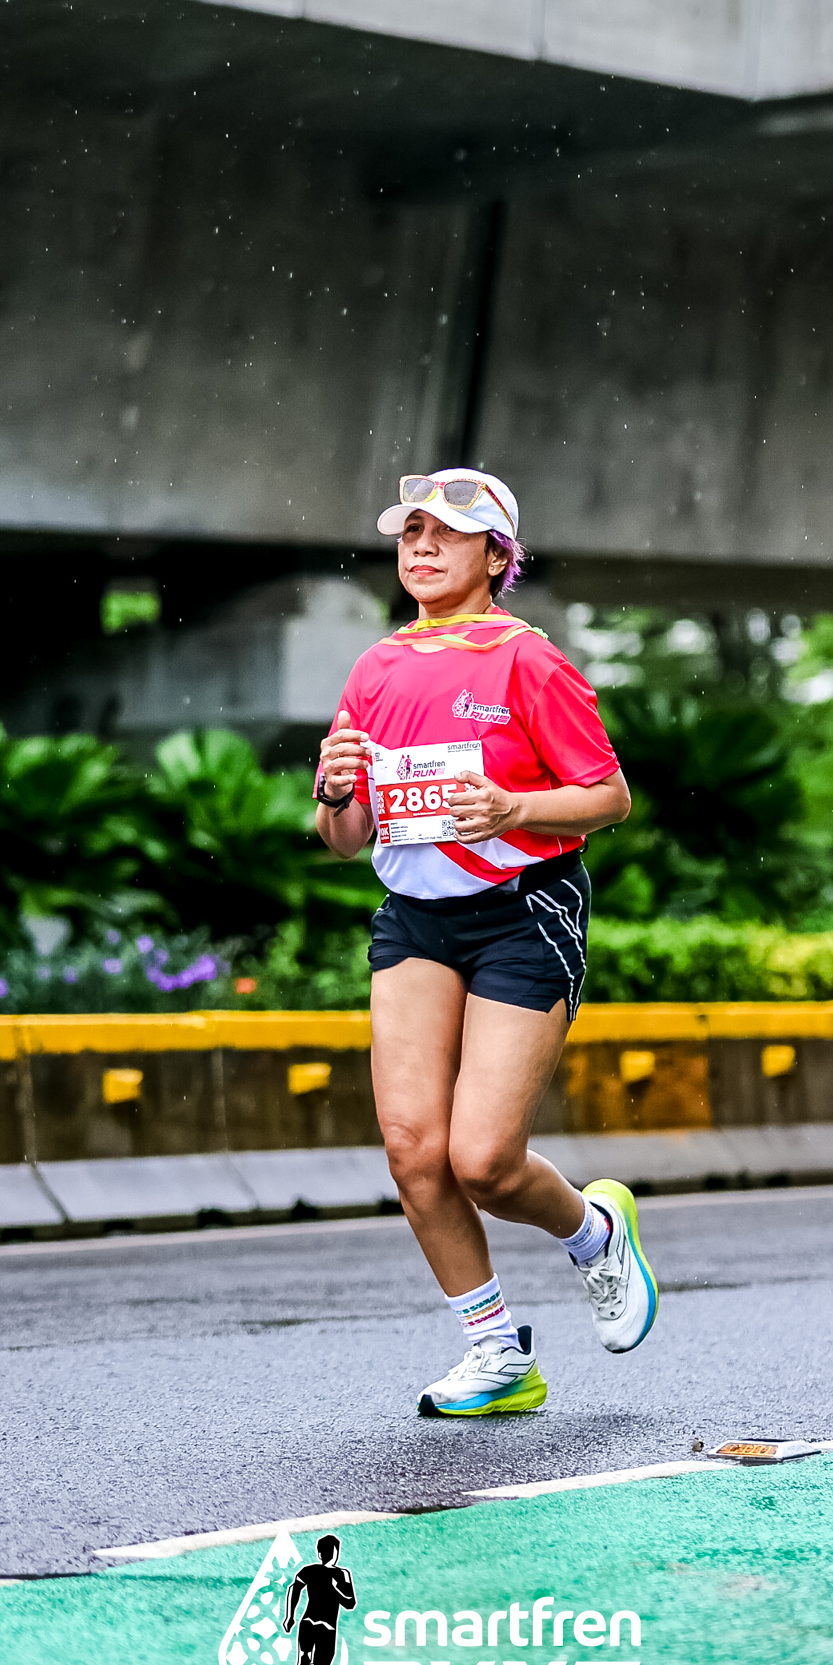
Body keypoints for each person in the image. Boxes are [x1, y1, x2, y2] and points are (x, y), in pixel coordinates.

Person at [315, 469, 659, 1417]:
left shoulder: (528, 661)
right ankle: (498, 1354)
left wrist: (514, 809)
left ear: (497, 555)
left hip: (522, 910)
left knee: (484, 1162)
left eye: (447, 534)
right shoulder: (376, 668)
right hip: (415, 920)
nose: (422, 547)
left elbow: (609, 797)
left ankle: (595, 1234)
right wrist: (335, 792)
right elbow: (345, 839)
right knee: (413, 1151)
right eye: (410, 533)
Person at [282, 1533, 356, 1665]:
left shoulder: (340, 1574)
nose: (331, 1554)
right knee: (303, 1660)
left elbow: (350, 1603)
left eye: (332, 1551)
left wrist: (333, 1589)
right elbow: (294, 1589)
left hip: (320, 1627)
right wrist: (289, 1615)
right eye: (328, 1551)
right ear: (320, 1553)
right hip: (314, 1624)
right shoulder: (313, 1571)